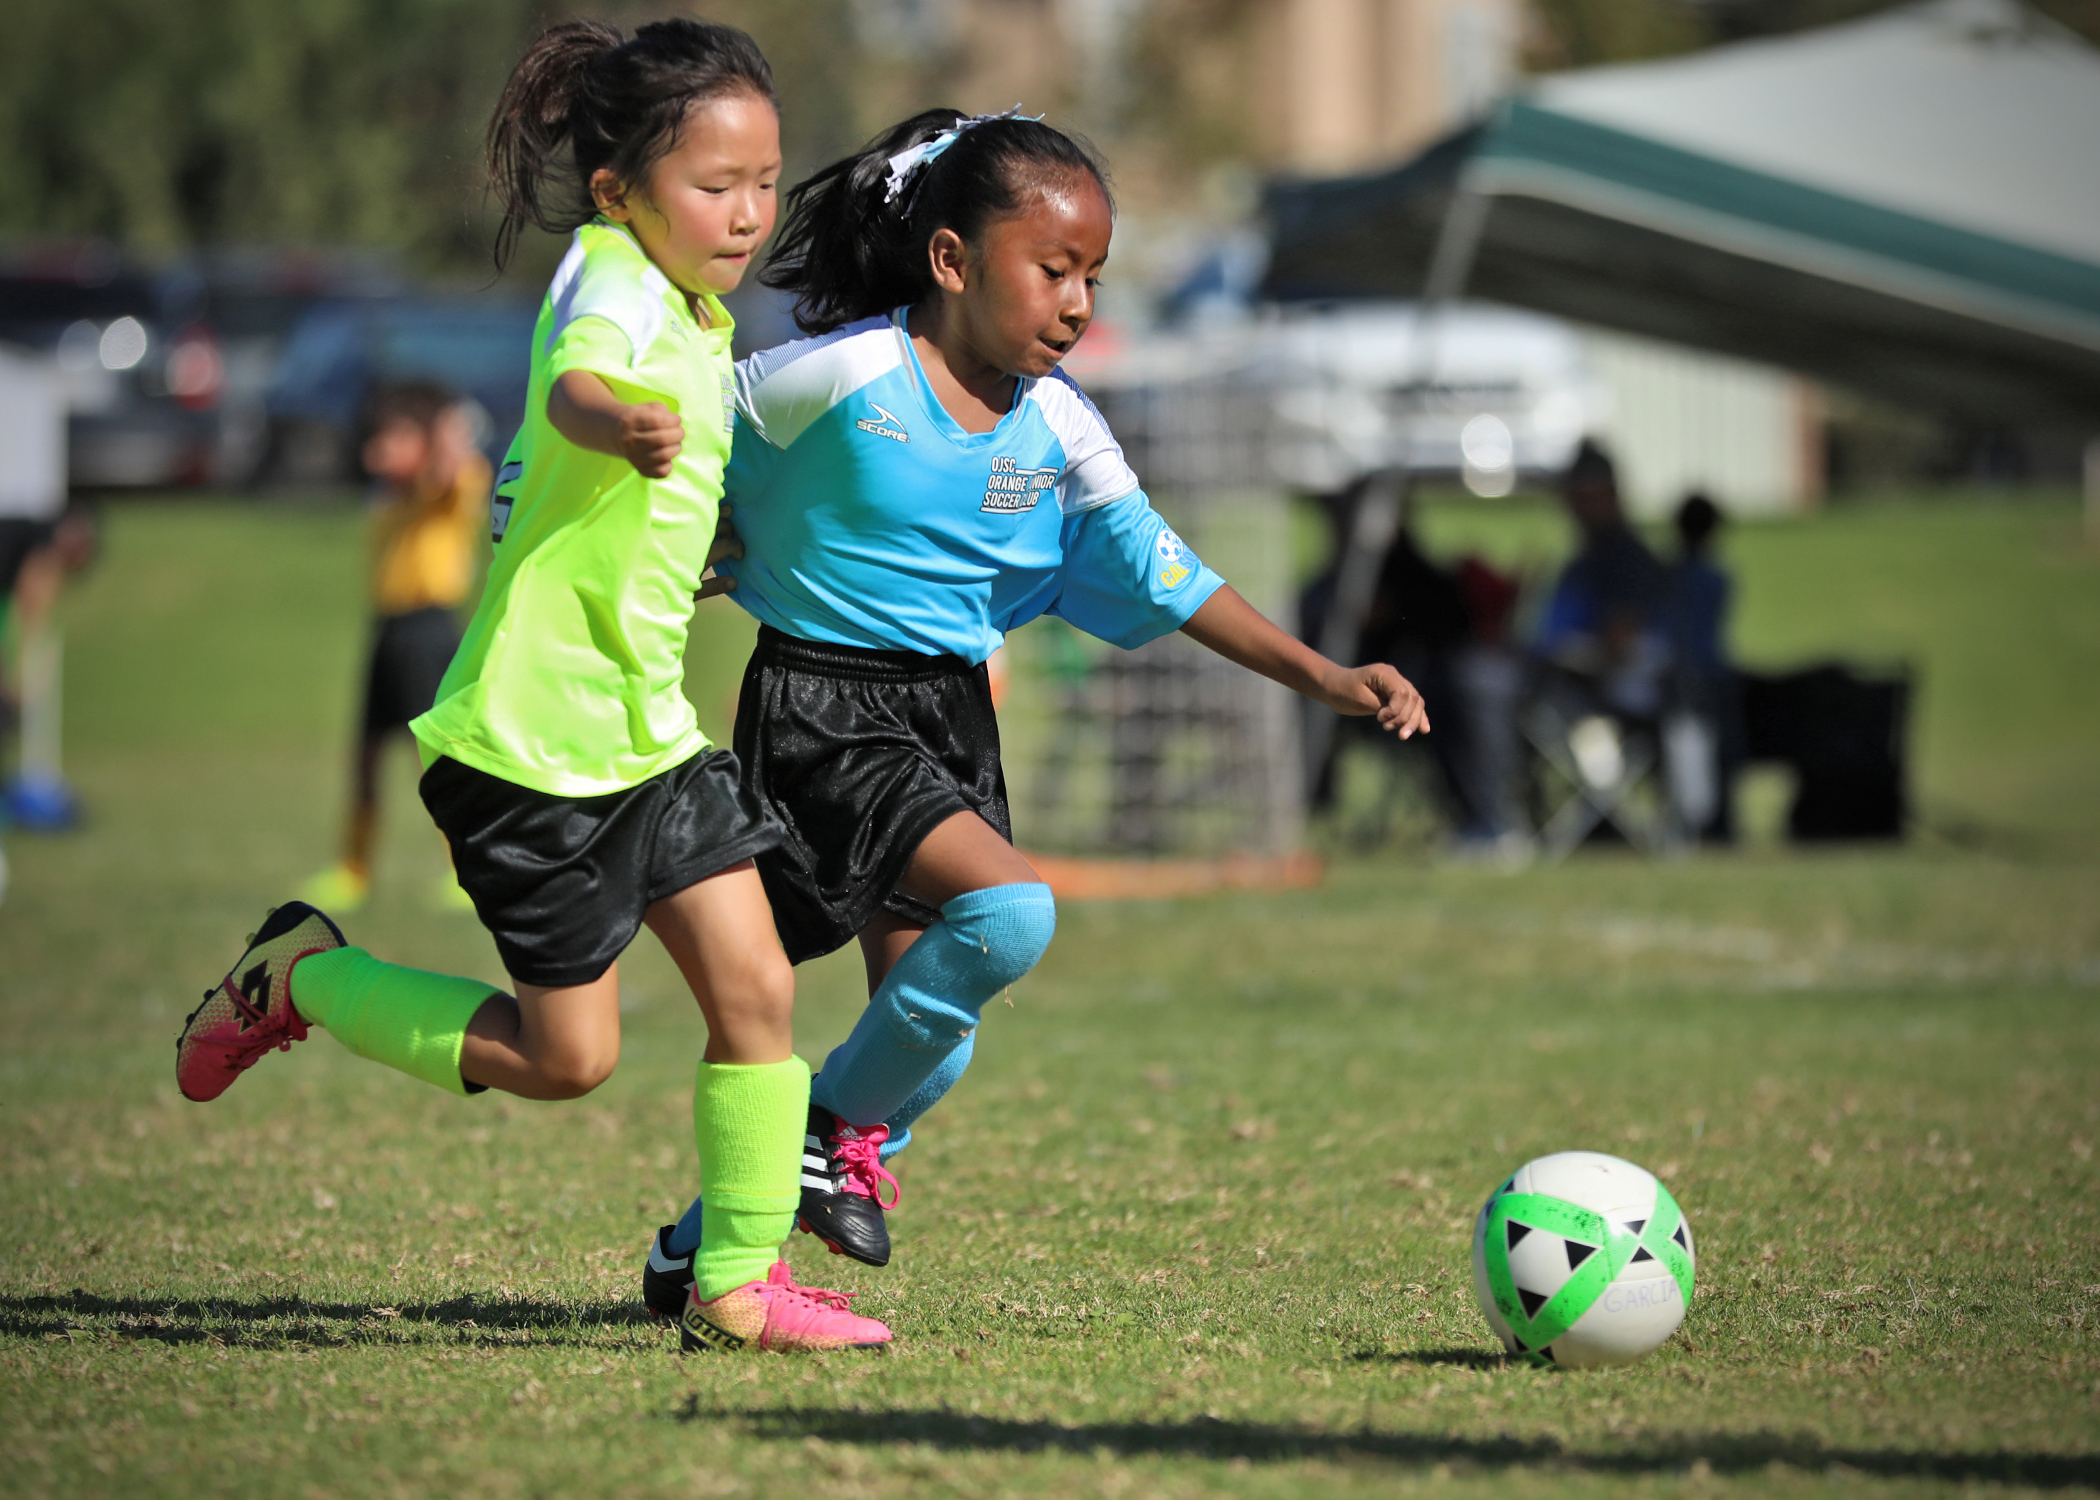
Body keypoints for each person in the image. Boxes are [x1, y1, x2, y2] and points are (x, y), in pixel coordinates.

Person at [174, 17, 890, 1355]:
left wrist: (723, 552)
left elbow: (653, 525)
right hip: (526, 751)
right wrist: (612, 418)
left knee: (760, 995)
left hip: (649, 740)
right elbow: (571, 386)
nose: (746, 214)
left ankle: (734, 1285)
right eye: (713, 185)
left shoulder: (702, 315)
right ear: (621, 187)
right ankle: (304, 982)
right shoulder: (609, 276)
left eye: (763, 184)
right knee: (570, 1063)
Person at [638, 107, 1430, 1313]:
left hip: (950, 719)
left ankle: (704, 1241)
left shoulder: (1059, 425)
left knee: (937, 1046)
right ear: (952, 262)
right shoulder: (845, 376)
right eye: (1053, 269)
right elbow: (687, 440)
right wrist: (647, 536)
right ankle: (825, 1133)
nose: (1077, 302)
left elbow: (1167, 570)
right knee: (1011, 917)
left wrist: (1324, 676)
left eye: (1094, 278)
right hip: (825, 714)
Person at [300, 381, 488, 913]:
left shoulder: (450, 483)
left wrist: (449, 425)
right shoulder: (387, 494)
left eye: (394, 439)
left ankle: (464, 869)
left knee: (434, 759)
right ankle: (352, 870)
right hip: (386, 631)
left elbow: (456, 469)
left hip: (429, 632)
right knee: (364, 755)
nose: (377, 451)